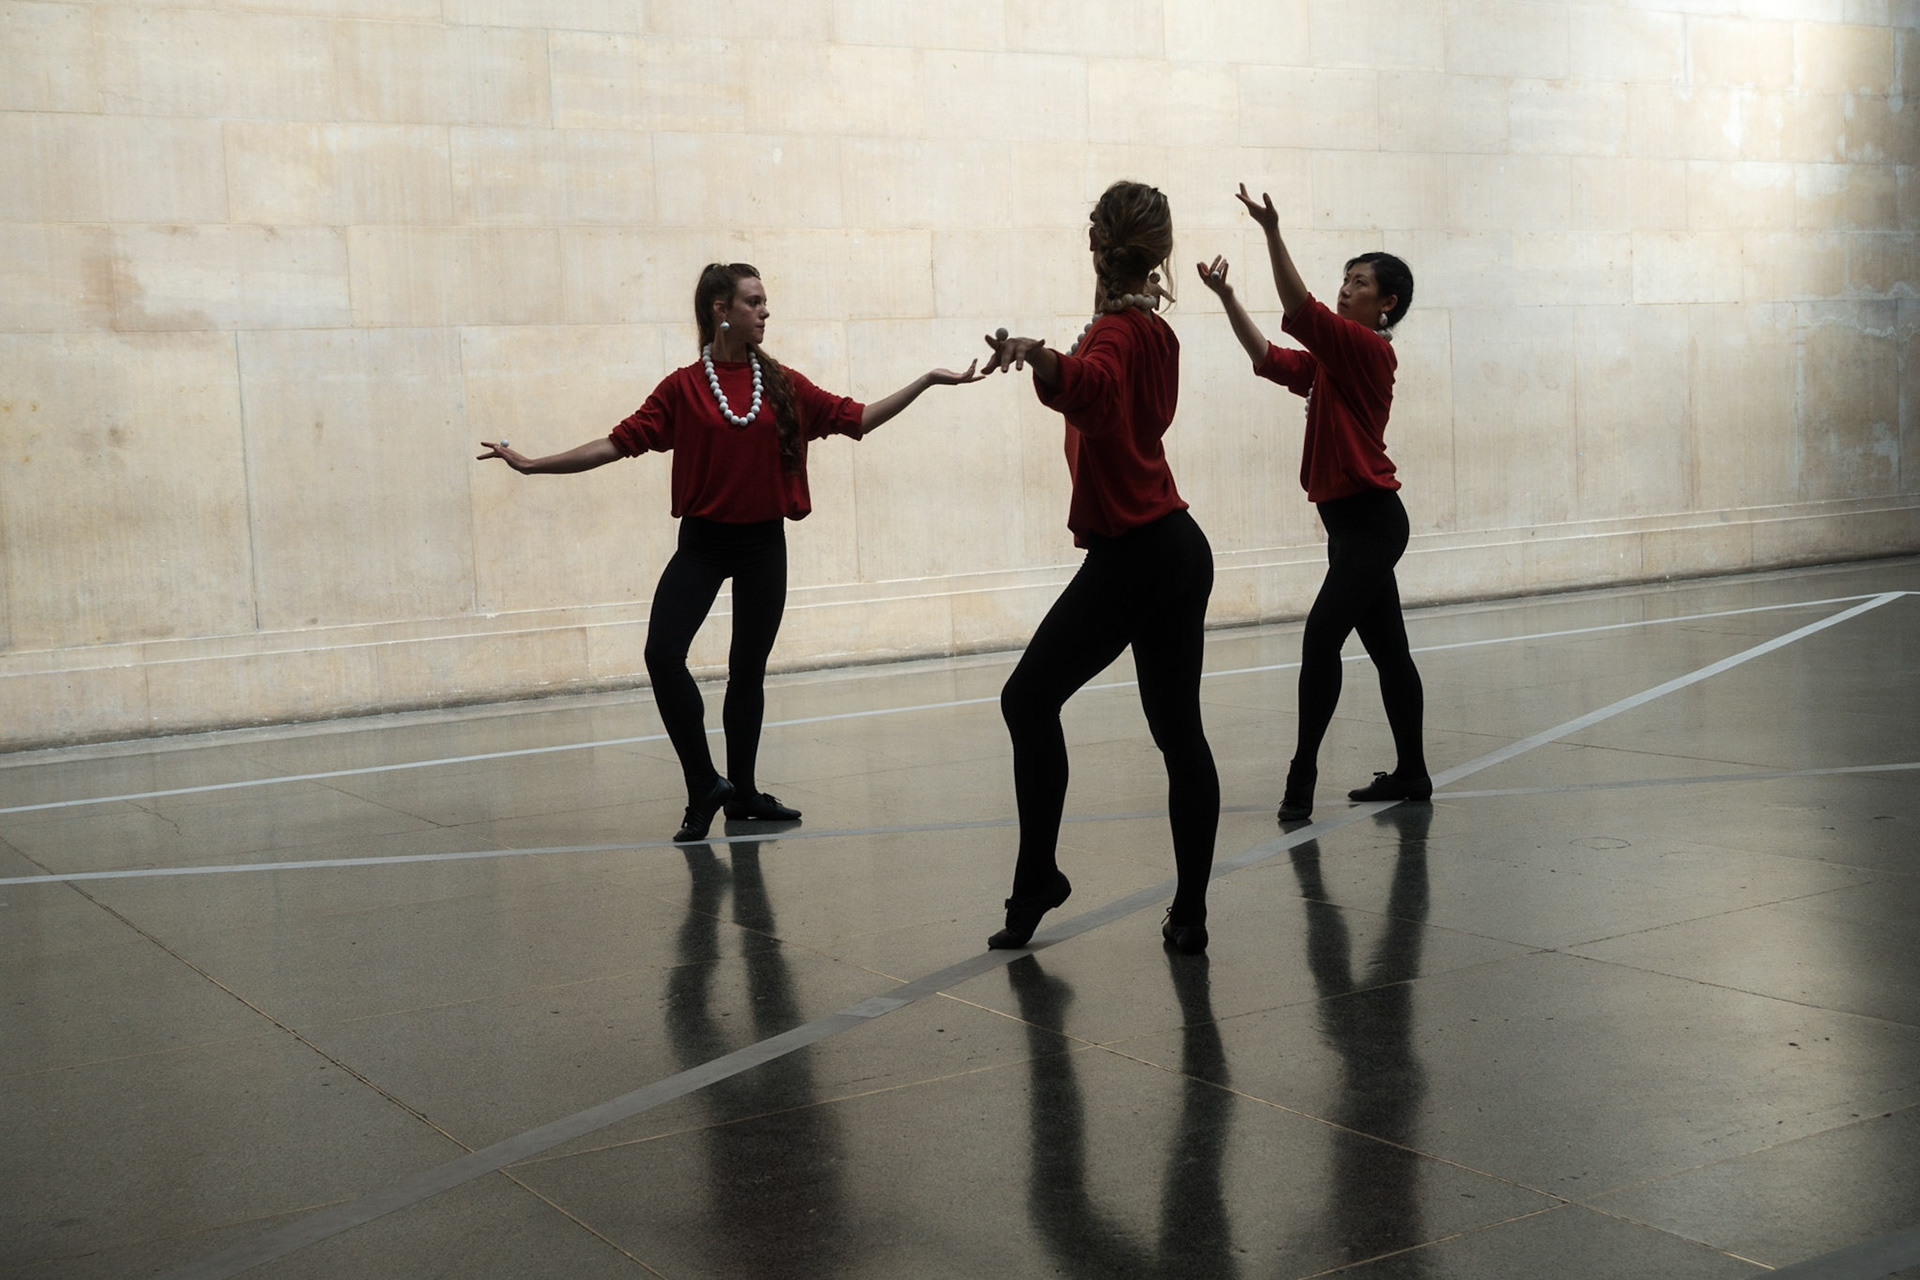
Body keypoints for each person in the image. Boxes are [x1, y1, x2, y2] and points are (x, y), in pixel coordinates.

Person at [479, 262, 980, 842]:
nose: (766, 311)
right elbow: (616, 444)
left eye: (765, 302)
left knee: (748, 671)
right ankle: (704, 784)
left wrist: (926, 381)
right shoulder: (685, 388)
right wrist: (533, 463)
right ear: (722, 310)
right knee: (662, 654)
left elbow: (857, 417)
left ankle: (742, 793)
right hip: (703, 543)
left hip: (764, 543)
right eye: (754, 302)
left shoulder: (783, 382)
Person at [980, 181, 1220, 955]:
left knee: (1026, 700)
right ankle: (1188, 913)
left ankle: (1038, 879)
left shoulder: (1117, 334)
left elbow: (1095, 391)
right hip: (1176, 547)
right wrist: (1061, 358)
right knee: (1179, 734)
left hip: (1138, 553)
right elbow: (1108, 402)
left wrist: (1046, 356)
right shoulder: (1154, 331)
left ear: (1097, 246)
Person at [1197, 184, 1428, 823]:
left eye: (1359, 283)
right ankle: (1414, 773)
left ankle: (1302, 778)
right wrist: (1229, 298)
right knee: (1389, 652)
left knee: (1321, 638)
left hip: (1372, 524)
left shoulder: (1369, 350)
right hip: (1351, 527)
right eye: (1345, 279)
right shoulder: (1334, 363)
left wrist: (1272, 232)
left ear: (1387, 305)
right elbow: (1268, 357)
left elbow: (1302, 309)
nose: (1347, 289)